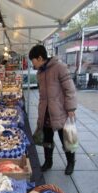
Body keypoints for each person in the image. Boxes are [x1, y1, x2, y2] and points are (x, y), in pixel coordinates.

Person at [29, 44, 77, 175]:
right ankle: (48, 161)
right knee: (47, 140)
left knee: (66, 139)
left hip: (60, 111)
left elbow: (70, 89)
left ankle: (71, 162)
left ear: (39, 58)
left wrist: (71, 108)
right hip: (46, 112)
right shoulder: (40, 72)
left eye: (32, 60)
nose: (32, 63)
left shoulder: (60, 67)